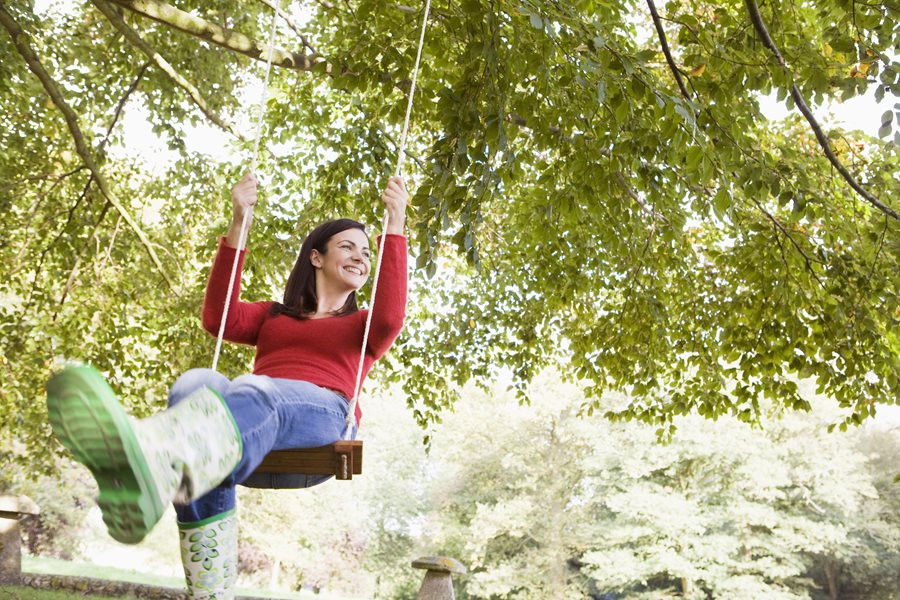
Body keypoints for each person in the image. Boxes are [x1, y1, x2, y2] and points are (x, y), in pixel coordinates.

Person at [45, 173, 409, 598]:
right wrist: (238, 222)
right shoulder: (274, 315)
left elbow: (389, 317)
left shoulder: (363, 326)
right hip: (250, 436)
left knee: (259, 391)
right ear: (315, 257)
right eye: (347, 246)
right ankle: (206, 583)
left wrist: (395, 223)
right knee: (196, 384)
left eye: (366, 252)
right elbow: (217, 319)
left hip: (322, 421)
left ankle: (150, 454)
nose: (360, 257)